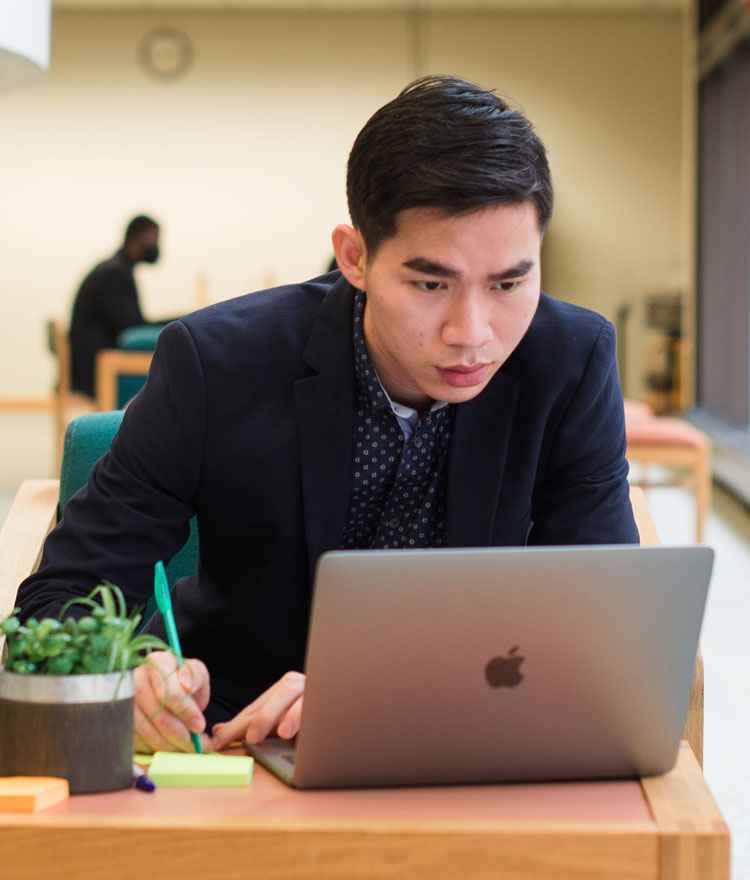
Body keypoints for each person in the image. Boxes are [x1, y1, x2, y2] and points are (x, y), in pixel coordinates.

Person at [18, 75, 638, 754]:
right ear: (355, 256)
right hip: (237, 730)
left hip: (465, 730)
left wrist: (381, 692)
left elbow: (599, 630)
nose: (473, 332)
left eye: (509, 283)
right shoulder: (215, 364)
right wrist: (129, 673)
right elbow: (65, 594)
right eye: (431, 284)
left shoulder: (570, 363)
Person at [69, 214, 165, 397]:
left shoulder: (117, 269)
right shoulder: (112, 274)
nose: (157, 246)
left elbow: (133, 323)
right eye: (155, 239)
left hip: (96, 365)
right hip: (94, 373)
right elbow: (132, 329)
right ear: (139, 237)